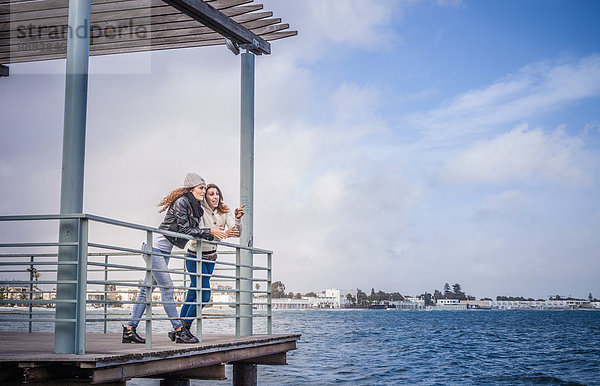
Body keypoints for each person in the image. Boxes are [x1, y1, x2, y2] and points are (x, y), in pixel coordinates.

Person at [122, 173, 226, 344]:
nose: (204, 191)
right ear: (191, 188)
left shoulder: (195, 205)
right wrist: (209, 232)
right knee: (168, 288)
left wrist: (215, 231)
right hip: (153, 248)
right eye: (201, 188)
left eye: (204, 188)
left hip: (163, 250)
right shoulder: (182, 202)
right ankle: (179, 330)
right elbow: (184, 230)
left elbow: (196, 229)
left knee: (145, 290)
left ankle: (129, 330)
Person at [178, 183, 245, 332]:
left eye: (217, 194)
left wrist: (238, 219)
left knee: (193, 292)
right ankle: (185, 328)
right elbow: (195, 234)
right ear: (205, 197)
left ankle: (178, 329)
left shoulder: (224, 211)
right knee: (205, 294)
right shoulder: (199, 210)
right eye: (211, 194)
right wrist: (216, 234)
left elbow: (236, 232)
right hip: (194, 257)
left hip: (211, 258)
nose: (215, 197)